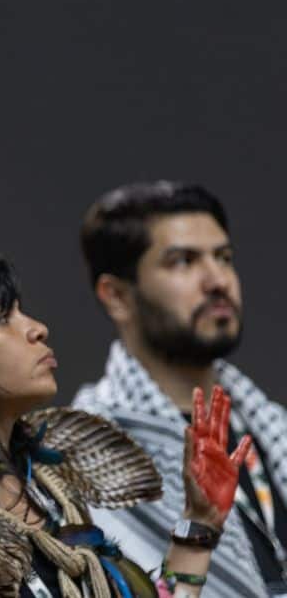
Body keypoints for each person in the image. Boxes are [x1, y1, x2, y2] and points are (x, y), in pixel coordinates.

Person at [0, 249, 250, 597]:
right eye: (2, 318)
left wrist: (200, 523)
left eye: (20, 311)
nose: (37, 329)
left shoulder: (52, 489)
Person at [72, 181, 287, 597]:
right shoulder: (87, 457)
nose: (218, 280)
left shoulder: (273, 425)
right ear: (116, 296)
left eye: (224, 258)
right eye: (183, 261)